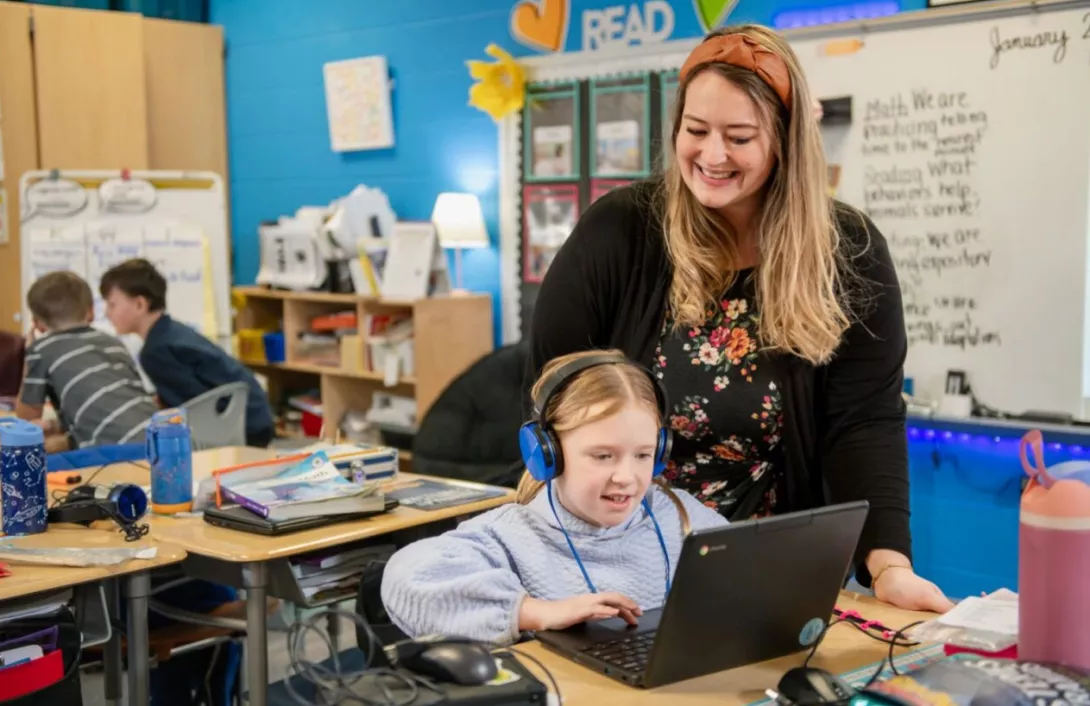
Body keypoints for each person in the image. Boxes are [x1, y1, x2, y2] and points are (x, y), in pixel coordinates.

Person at [525, 25, 954, 613]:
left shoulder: (847, 250)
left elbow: (865, 423)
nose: (712, 155)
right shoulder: (620, 231)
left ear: (784, 142)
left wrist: (889, 568)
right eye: (695, 131)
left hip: (769, 573)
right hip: (610, 571)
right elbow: (550, 398)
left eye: (740, 137)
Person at [381, 350, 728, 645]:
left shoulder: (680, 515)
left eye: (642, 455)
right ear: (548, 454)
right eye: (603, 456)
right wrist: (535, 611)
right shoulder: (512, 537)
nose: (626, 477)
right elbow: (406, 580)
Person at [99, 258, 275, 447]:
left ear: (140, 304)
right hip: (256, 417)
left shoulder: (155, 352)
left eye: (112, 305)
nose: (107, 313)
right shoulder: (172, 332)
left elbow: (192, 411)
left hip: (242, 432)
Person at [16, 271, 157, 447]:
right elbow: (109, 405)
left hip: (110, 453)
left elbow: (26, 419)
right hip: (157, 438)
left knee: (28, 456)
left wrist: (28, 362)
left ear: (38, 324)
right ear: (91, 313)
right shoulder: (112, 342)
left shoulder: (42, 350)